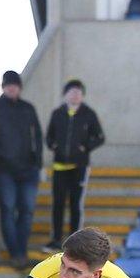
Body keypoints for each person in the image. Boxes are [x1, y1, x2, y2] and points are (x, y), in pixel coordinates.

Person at [0, 70, 43, 268]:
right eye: (8, 85)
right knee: (8, 209)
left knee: (27, 210)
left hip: (27, 170)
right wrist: (0, 154)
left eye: (15, 85)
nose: (12, 88)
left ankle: (21, 251)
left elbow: (38, 135)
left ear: (19, 87)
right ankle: (15, 253)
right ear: (3, 87)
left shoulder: (28, 109)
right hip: (3, 170)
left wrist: (37, 161)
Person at [42, 79, 105, 253]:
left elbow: (99, 137)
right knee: (58, 203)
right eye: (72, 91)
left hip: (79, 166)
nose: (75, 94)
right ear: (65, 94)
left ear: (82, 95)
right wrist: (55, 146)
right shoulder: (57, 113)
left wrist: (85, 148)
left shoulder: (88, 114)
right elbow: (48, 137)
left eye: (79, 92)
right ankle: (55, 239)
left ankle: (74, 240)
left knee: (76, 204)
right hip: (60, 166)